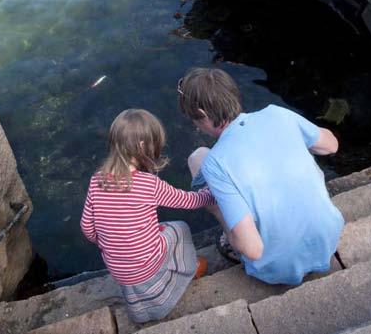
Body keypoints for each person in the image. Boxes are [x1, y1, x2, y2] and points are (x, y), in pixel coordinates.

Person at [178, 68, 345, 286]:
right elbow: (331, 145)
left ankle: (225, 224)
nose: (195, 125)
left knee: (197, 157)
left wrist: (215, 210)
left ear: (202, 115)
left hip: (279, 268)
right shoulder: (278, 114)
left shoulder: (215, 164)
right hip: (328, 239)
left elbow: (253, 250)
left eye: (194, 120)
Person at [80, 109, 213, 323]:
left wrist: (108, 242)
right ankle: (192, 269)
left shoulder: (96, 180)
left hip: (116, 267)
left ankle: (139, 308)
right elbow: (188, 201)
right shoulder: (148, 184)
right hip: (147, 262)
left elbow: (87, 227)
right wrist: (210, 194)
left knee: (152, 236)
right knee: (179, 228)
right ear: (143, 147)